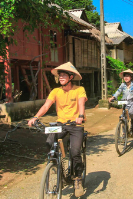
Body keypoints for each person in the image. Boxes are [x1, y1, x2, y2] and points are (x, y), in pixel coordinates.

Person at [28, 62, 87, 197]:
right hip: (60, 124)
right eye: (60, 76)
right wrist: (35, 117)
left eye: (64, 75)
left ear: (70, 77)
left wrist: (81, 116)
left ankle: (77, 179)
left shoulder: (79, 90)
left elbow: (81, 103)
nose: (61, 78)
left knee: (75, 151)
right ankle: (56, 166)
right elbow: (46, 106)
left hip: (75, 125)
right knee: (49, 142)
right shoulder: (55, 91)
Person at [108, 69, 133, 134]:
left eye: (128, 76)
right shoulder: (122, 85)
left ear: (131, 77)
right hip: (125, 102)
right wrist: (113, 97)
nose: (126, 78)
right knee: (123, 117)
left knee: (131, 112)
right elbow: (118, 92)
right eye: (125, 76)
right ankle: (124, 134)